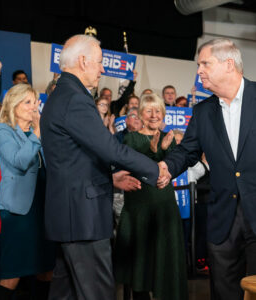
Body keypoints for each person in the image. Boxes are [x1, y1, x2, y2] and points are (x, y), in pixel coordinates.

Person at [158, 38, 256, 300]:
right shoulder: (202, 112)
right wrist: (165, 167)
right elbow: (186, 152)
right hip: (222, 219)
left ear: (228, 64)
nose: (199, 71)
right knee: (224, 293)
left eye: (205, 63)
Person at [40, 34, 168, 300]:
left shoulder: (62, 95)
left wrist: (111, 178)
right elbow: (110, 148)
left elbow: (74, 159)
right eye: (99, 63)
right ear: (83, 61)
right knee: (98, 293)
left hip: (71, 215)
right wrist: (156, 169)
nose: (102, 69)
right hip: (82, 218)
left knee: (66, 293)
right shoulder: (74, 98)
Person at [114, 93, 188, 300]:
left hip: (165, 211)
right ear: (140, 115)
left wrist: (163, 150)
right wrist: (154, 150)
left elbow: (169, 169)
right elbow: (138, 167)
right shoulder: (131, 138)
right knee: (141, 269)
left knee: (166, 266)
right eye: (149, 110)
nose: (154, 115)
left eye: (158, 110)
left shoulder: (169, 138)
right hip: (139, 211)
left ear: (163, 114)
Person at [0, 83, 55, 300]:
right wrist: (37, 132)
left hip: (43, 208)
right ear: (13, 104)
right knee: (13, 274)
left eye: (35, 102)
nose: (33, 107)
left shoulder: (41, 131)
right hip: (20, 212)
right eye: (27, 102)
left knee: (46, 270)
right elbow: (20, 161)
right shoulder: (2, 130)